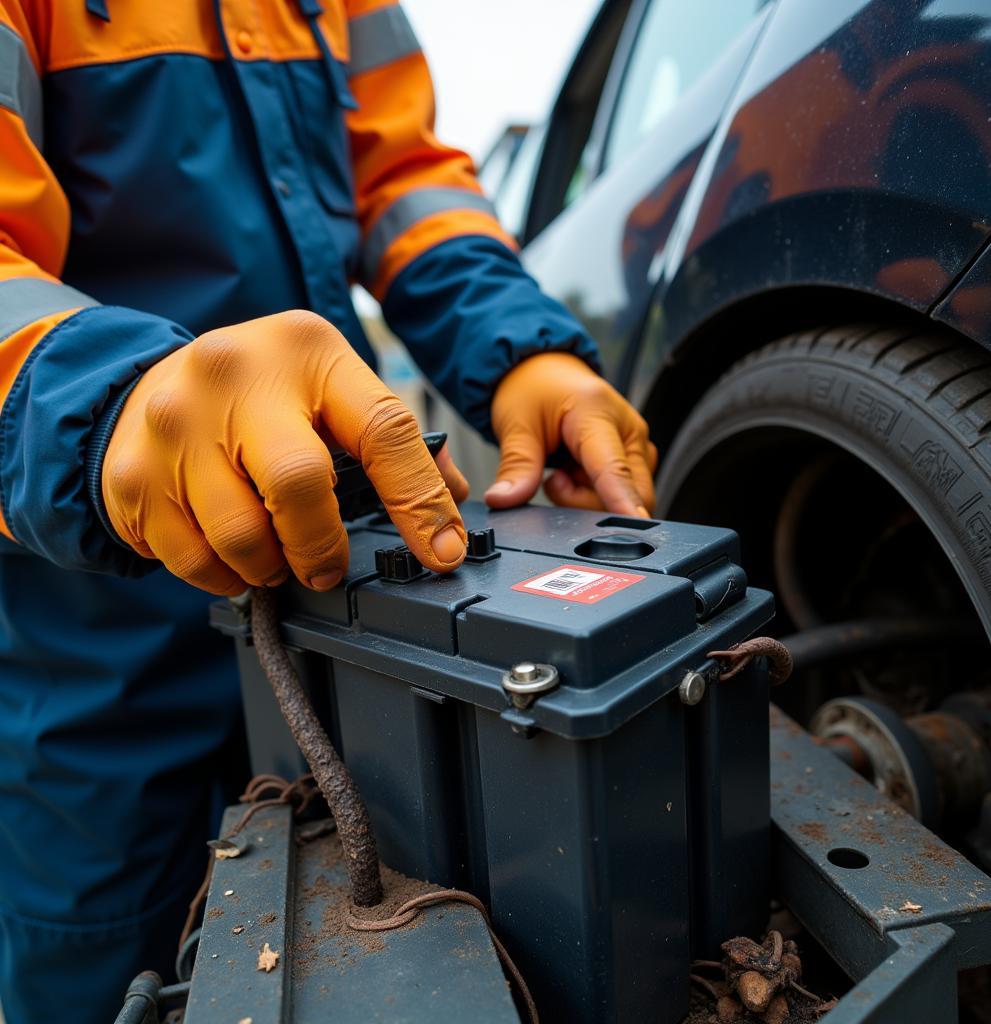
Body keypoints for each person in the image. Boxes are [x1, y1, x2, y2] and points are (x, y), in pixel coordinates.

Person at [0, 2, 656, 1020]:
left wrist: (521, 346)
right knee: (109, 965)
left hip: (334, 597)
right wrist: (103, 405)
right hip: (97, 650)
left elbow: (405, 184)